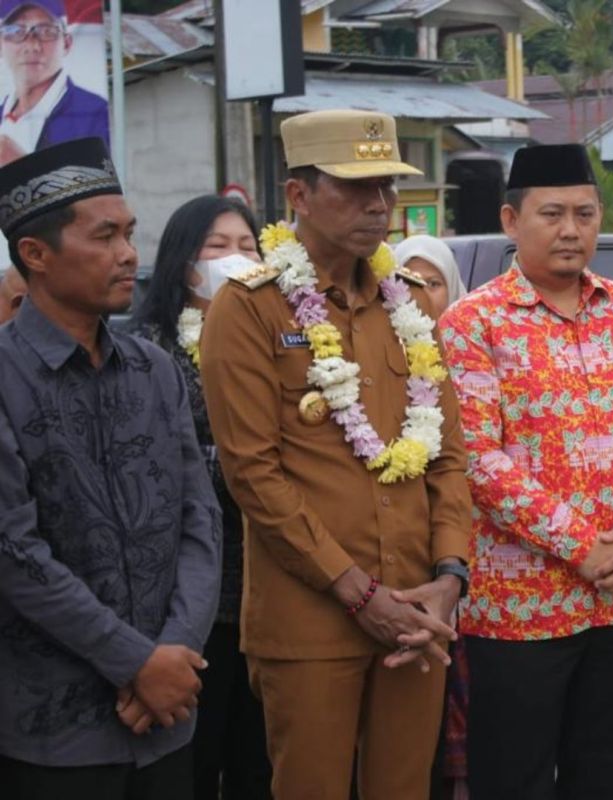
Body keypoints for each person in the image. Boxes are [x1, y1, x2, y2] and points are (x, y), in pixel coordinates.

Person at [199, 110, 473, 800]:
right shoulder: (249, 307)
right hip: (311, 619)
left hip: (417, 614)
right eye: (354, 188)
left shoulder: (406, 304)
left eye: (384, 186)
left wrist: (449, 579)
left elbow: (446, 459)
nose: (378, 205)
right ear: (298, 195)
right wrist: (358, 593)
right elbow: (252, 476)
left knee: (405, 790)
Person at [438, 143, 613, 800]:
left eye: (584, 214)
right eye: (551, 214)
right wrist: (582, 547)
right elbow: (479, 460)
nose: (570, 230)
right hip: (519, 612)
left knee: (612, 777)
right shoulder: (474, 324)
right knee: (514, 780)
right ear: (510, 220)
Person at [0, 138, 221, 798]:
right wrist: (135, 661)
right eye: (106, 237)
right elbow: (14, 551)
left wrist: (173, 657)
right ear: (36, 255)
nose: (129, 254)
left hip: (168, 713)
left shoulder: (154, 368)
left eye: (129, 233)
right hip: (52, 729)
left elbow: (198, 515)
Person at [126, 195, 272, 800]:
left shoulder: (281, 340)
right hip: (188, 602)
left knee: (257, 762)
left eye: (247, 247)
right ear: (184, 262)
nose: (235, 260)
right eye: (217, 248)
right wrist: (252, 467)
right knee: (192, 759)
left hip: (268, 589)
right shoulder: (148, 348)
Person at [391, 234, 469, 800]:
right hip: (395, 575)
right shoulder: (372, 358)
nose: (418, 296)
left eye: (432, 282)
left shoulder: (473, 349)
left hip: (463, 568)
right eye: (406, 281)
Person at [0, 0, 109, 166]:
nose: (32, 45)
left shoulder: (93, 114)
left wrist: (20, 165)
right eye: (16, 31)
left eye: (46, 31)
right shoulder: (3, 112)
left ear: (66, 43)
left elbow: (99, 189)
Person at [392, 234, 467, 318]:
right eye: (410, 284)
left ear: (452, 288)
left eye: (433, 284)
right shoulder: (379, 329)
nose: (423, 296)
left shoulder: (472, 328)